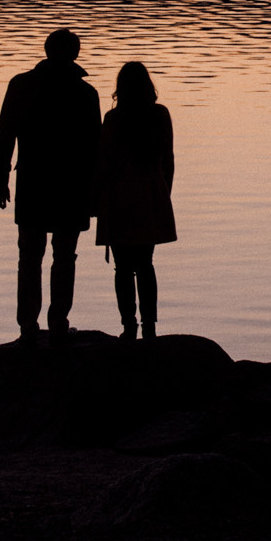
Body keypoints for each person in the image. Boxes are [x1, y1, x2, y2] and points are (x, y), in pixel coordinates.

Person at [0, 28, 100, 344]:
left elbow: (4, 135)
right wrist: (95, 193)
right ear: (75, 54)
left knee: (30, 256)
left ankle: (29, 325)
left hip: (34, 183)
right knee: (64, 256)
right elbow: (95, 147)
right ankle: (57, 323)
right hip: (71, 186)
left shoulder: (22, 85)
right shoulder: (85, 93)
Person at [94, 61, 176, 340]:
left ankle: (129, 326)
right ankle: (150, 326)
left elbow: (103, 163)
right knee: (145, 263)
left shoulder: (114, 119)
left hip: (119, 197)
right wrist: (165, 193)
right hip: (150, 194)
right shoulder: (160, 115)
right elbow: (169, 160)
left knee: (123, 267)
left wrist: (96, 199)